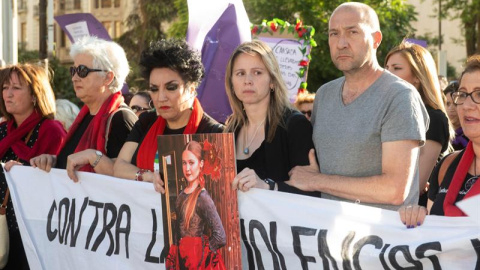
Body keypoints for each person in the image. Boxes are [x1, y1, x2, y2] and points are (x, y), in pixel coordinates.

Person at [287, 2, 428, 210]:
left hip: (382, 239)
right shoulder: (325, 95)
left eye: (352, 32)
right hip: (326, 235)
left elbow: (395, 190)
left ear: (376, 40)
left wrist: (316, 180)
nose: (341, 43)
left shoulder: (400, 97)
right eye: (333, 34)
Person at [113, 39, 223, 191]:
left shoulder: (214, 133)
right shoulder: (146, 122)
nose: (161, 97)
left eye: (171, 87)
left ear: (191, 89)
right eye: (154, 89)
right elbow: (119, 167)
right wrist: (148, 176)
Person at [29, 36, 137, 181]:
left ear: (108, 77)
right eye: (73, 70)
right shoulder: (84, 116)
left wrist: (93, 157)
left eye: (82, 70)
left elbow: (127, 178)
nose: (74, 78)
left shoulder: (120, 118)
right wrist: (53, 161)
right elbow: (75, 161)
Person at [225, 40, 320, 197]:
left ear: (273, 82)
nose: (247, 80)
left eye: (257, 72)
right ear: (232, 83)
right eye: (240, 73)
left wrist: (269, 186)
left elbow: (312, 194)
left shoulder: (295, 126)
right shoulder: (229, 129)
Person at [399, 55, 480, 228]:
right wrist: (419, 216)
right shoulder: (447, 165)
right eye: (463, 94)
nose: (466, 105)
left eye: (479, 94)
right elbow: (432, 236)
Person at [0, 63, 67, 270]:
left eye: (16, 88)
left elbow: (59, 183)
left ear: (34, 95)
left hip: (33, 233)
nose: (8, 94)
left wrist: (27, 171)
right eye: (4, 88)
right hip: (3, 225)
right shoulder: (2, 129)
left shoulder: (52, 131)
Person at [385, 41, 452, 206]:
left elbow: (415, 186)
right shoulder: (386, 114)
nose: (387, 74)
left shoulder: (434, 119)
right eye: (386, 68)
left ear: (417, 76)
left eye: (396, 68)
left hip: (411, 219)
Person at [166, 140, 226, 269]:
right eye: (184, 163)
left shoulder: (203, 198)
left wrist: (201, 256)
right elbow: (177, 231)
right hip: (182, 262)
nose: (187, 169)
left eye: (191, 163)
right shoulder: (181, 196)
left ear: (201, 164)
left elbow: (220, 236)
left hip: (196, 262)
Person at [444, 80, 469, 150]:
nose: (451, 109)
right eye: (447, 104)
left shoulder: (472, 137)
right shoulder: (438, 133)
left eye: (455, 104)